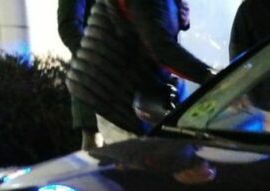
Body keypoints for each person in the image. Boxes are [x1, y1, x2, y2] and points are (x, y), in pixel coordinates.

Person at [67, 0, 215, 144]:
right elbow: (160, 48)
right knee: (139, 153)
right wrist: (209, 77)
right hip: (116, 90)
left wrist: (177, 13)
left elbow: (153, 23)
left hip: (120, 87)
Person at [58, 0, 101, 150]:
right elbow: (69, 26)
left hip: (124, 76)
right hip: (92, 77)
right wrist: (97, 58)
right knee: (94, 142)